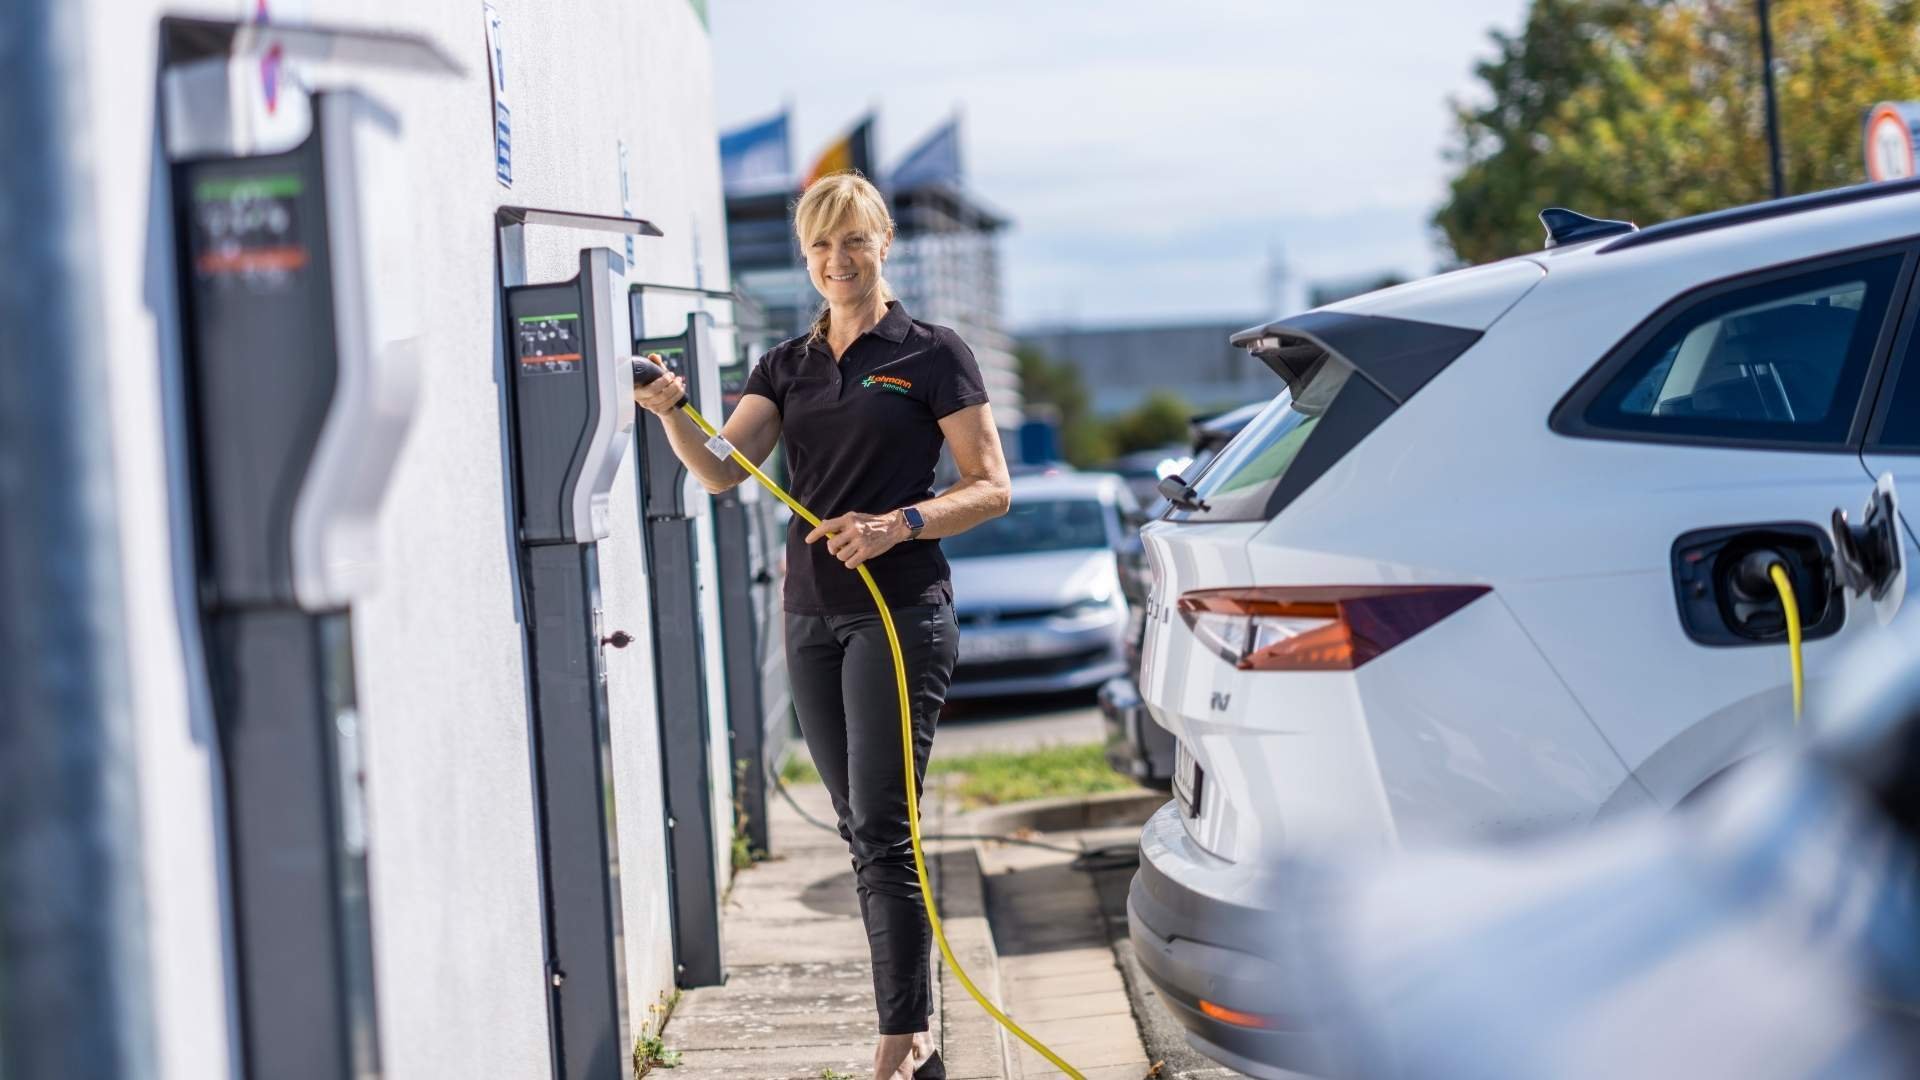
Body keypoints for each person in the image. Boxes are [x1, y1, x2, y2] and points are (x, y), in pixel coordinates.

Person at [633, 171, 1010, 1079]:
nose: (837, 261)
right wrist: (672, 411)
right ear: (807, 259)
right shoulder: (786, 365)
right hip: (810, 616)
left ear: (883, 243)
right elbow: (724, 470)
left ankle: (904, 1033)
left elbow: (992, 486)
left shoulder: (930, 353)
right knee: (858, 825)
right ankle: (907, 1022)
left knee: (885, 823)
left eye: (853, 241)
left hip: (900, 611)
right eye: (819, 246)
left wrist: (897, 524)